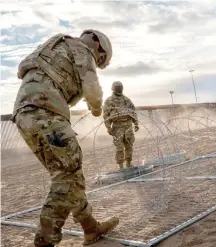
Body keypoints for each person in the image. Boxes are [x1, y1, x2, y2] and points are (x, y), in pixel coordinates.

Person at [10, 29, 119, 246]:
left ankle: (90, 228)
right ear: (97, 44)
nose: (96, 63)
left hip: (24, 114)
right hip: (46, 113)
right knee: (67, 175)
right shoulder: (82, 49)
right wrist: (96, 110)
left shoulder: (56, 46)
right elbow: (93, 93)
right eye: (100, 60)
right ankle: (45, 240)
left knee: (69, 173)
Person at [103, 81, 139, 170]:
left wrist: (136, 123)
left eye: (120, 87)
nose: (119, 88)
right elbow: (105, 115)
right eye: (117, 87)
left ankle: (129, 164)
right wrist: (108, 127)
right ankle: (121, 167)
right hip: (117, 126)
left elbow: (133, 111)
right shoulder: (109, 100)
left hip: (128, 125)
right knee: (119, 147)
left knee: (129, 146)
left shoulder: (127, 100)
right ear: (113, 88)